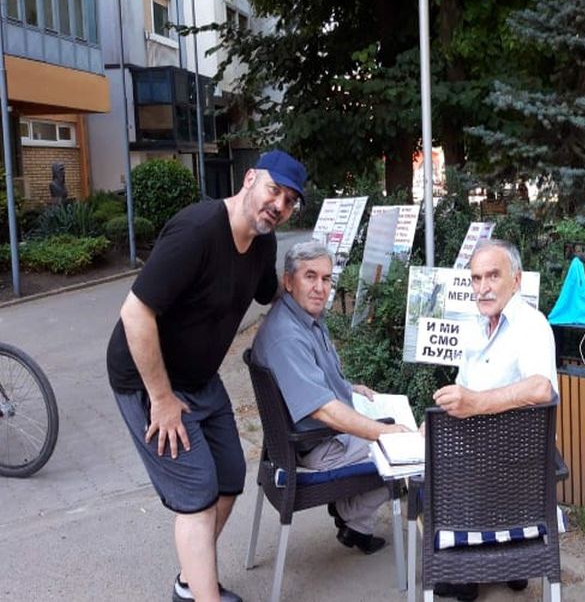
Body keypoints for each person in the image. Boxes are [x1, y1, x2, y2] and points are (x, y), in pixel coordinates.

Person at [106, 150, 306, 602]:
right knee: (197, 493)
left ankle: (187, 581)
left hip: (200, 380)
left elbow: (264, 290)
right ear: (250, 178)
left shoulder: (262, 243)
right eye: (274, 190)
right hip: (147, 380)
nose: (279, 204)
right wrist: (160, 399)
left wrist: (301, 289)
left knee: (230, 476)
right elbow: (135, 313)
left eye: (290, 200)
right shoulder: (196, 231)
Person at [251, 240, 410, 554]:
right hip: (320, 444)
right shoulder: (287, 335)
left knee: (398, 416)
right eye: (310, 276)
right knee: (412, 450)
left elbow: (311, 380)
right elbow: (323, 410)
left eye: (326, 279)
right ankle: (353, 514)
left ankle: (355, 522)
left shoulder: (301, 316)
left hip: (317, 433)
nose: (320, 287)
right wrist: (386, 432)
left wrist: (350, 389)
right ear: (288, 281)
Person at [431, 238, 558, 601]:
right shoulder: (477, 325)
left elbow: (541, 389)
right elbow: (464, 386)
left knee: (434, 478)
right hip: (480, 450)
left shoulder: (532, 325)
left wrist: (475, 403)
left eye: (492, 276)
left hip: (516, 461)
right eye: (475, 278)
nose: (482, 287)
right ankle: (508, 564)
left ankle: (467, 570)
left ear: (515, 280)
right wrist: (448, 409)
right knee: (425, 451)